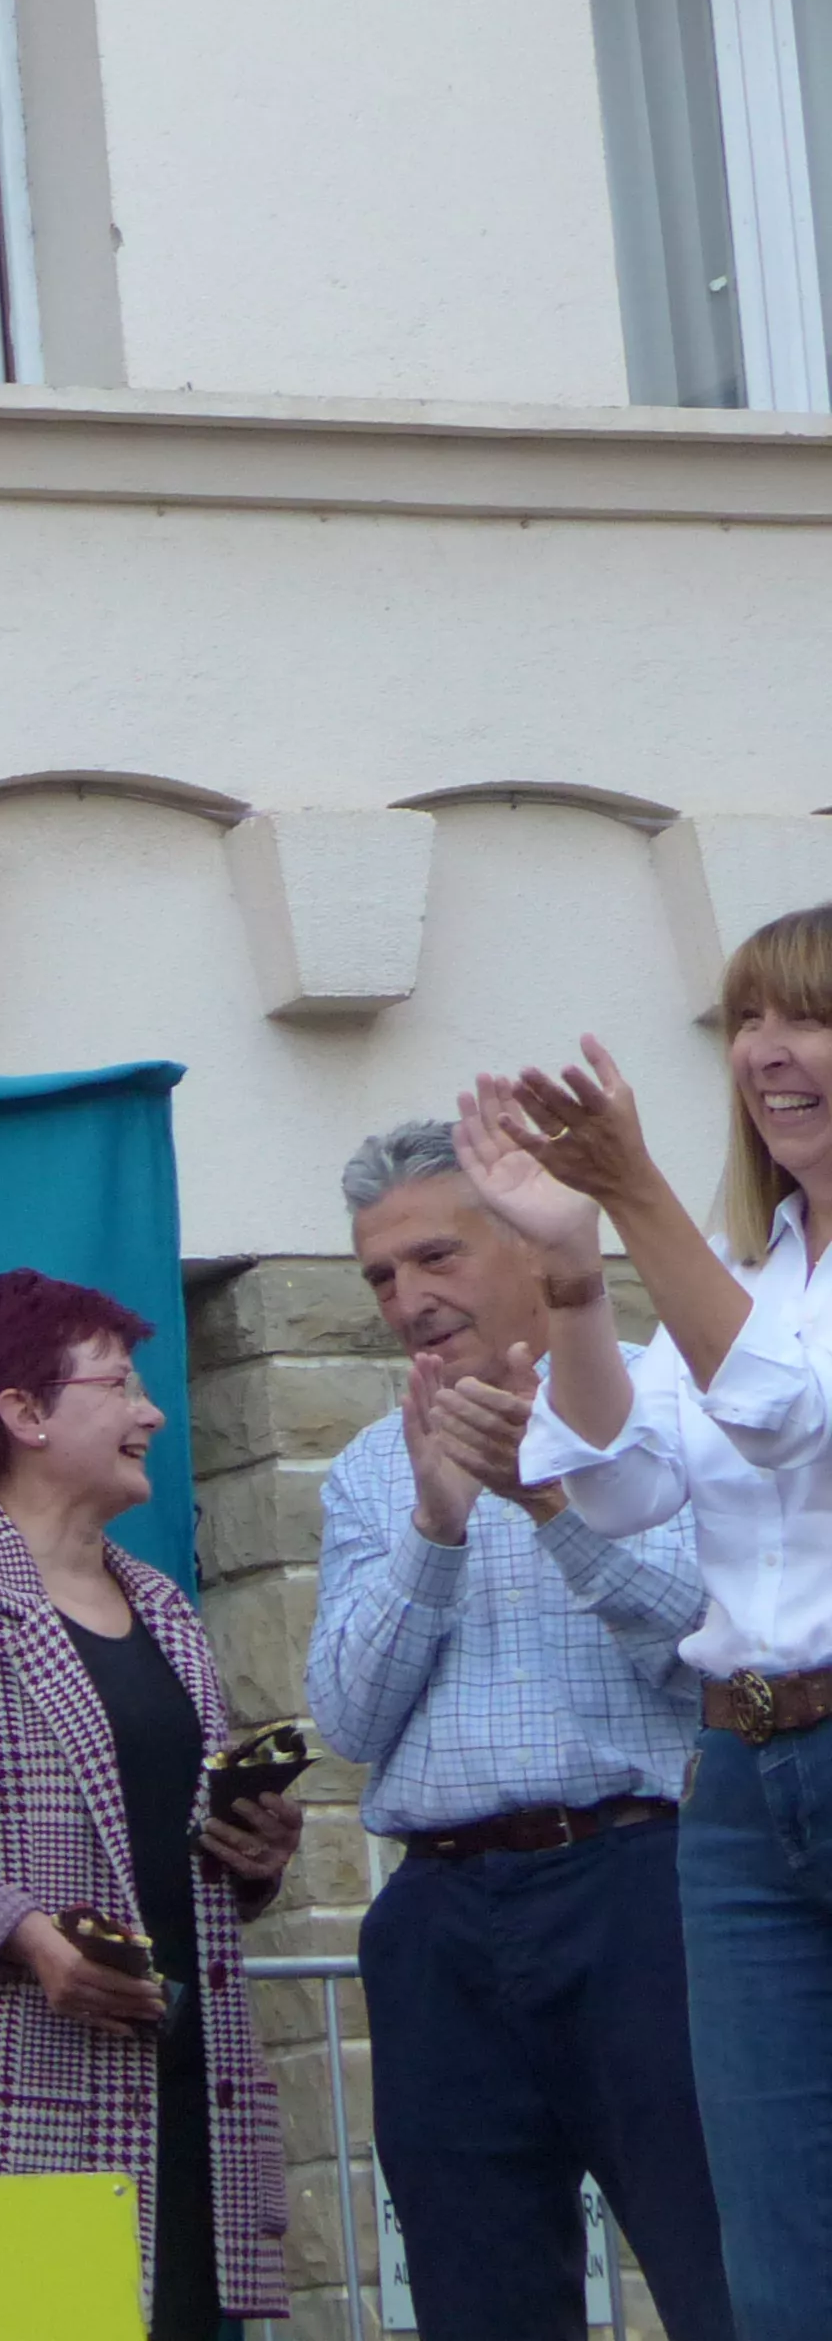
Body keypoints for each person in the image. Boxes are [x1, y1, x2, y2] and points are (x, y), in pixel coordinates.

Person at [310, 1116, 733, 2340]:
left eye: (434, 1257)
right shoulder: (369, 1467)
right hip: (439, 1915)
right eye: (380, 1276)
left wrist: (543, 1504)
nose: (406, 1300)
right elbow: (346, 1717)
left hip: (636, 1887)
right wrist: (434, 1525)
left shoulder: (658, 1404)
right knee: (474, 2300)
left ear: (526, 1242)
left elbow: (702, 1642)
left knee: (719, 2264)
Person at [500, 904, 832, 2341]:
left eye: (809, 1016)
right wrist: (574, 1269)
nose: (769, 1051)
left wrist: (636, 1196)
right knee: (774, 2253)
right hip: (743, 1780)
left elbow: (781, 1414)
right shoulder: (751, 1271)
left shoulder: (720, 1285)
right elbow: (625, 1483)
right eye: (747, 1020)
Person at [0, 1271, 298, 2335]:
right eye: (122, 1388)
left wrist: (251, 1852)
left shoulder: (162, 1608)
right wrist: (26, 1935)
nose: (152, 1414)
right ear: (22, 1413)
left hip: (181, 2097)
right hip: (10, 2104)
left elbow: (166, 1845)